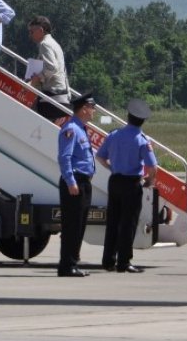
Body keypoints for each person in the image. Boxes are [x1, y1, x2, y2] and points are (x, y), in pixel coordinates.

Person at [96, 98, 158, 273]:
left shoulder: (114, 135)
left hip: (115, 181)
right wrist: (149, 181)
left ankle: (108, 260)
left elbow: (100, 156)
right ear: (143, 120)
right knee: (128, 223)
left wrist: (112, 167)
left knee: (113, 221)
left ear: (128, 117)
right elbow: (153, 167)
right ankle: (124, 261)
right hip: (131, 183)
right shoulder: (142, 141)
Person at [56, 92, 97, 277]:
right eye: (91, 107)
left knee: (79, 225)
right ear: (83, 109)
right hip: (74, 183)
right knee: (72, 225)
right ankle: (67, 265)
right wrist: (71, 181)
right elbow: (64, 158)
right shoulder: (70, 129)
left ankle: (73, 262)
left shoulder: (81, 128)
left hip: (83, 182)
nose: (93, 111)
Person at [27, 16, 70, 122]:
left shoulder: (44, 44)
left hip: (52, 95)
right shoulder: (55, 44)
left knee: (29, 119)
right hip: (61, 94)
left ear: (41, 31)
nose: (30, 35)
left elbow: (51, 68)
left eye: (32, 32)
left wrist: (38, 78)